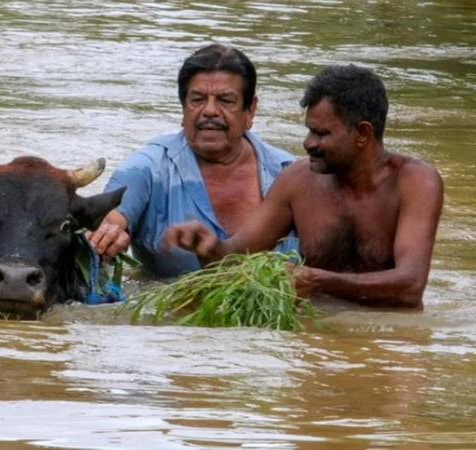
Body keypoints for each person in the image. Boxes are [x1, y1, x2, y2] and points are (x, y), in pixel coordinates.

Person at [164, 64, 444, 309]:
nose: (308, 143)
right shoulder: (297, 180)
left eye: (322, 133)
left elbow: (410, 285)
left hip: (390, 340)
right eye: (309, 131)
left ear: (362, 133)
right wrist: (209, 246)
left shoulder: (414, 181)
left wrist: (321, 281)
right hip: (312, 334)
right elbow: (235, 259)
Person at [87, 43, 297, 278]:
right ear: (183, 109)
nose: (209, 111)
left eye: (225, 101)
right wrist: (108, 236)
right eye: (197, 99)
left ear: (250, 111)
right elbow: (108, 221)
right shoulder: (146, 169)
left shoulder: (292, 175)